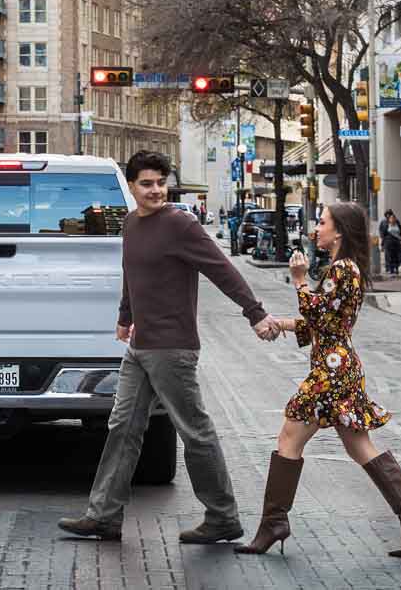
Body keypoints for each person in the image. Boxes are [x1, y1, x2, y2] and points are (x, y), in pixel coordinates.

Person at [58, 150, 275, 545]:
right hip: (140, 346)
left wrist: (255, 313)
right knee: (122, 426)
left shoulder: (179, 224)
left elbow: (221, 269)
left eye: (161, 182)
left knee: (195, 431)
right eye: (147, 183)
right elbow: (131, 275)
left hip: (173, 348)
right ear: (131, 186)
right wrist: (125, 317)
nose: (156, 190)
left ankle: (223, 517)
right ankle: (104, 515)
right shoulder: (130, 224)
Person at [239, 201, 401, 560]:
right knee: (359, 446)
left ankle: (273, 523)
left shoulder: (342, 269)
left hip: (331, 372)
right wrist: (281, 323)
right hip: (341, 366)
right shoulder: (346, 269)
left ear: (339, 231)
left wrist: (298, 282)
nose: (317, 226)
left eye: (323, 221)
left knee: (288, 437)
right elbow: (326, 322)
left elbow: (318, 315)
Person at [379, 210, 401, 277]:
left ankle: (396, 268)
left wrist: (400, 237)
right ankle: (390, 269)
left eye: (390, 215)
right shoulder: (384, 223)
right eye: (387, 215)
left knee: (397, 256)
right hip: (388, 242)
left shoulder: (397, 223)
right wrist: (383, 243)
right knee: (389, 256)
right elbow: (382, 233)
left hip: (396, 242)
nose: (389, 216)